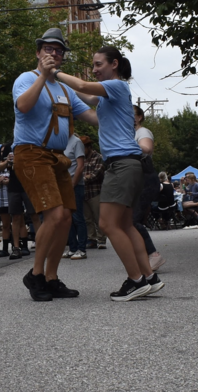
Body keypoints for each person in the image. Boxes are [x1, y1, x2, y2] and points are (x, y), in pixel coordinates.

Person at [55, 46, 163, 300]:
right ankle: (150, 277)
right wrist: (60, 89)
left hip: (122, 165)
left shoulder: (117, 85)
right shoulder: (107, 95)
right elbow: (85, 100)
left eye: (98, 64)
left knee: (106, 224)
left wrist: (55, 72)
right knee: (125, 224)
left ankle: (136, 281)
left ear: (114, 64)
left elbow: (82, 83)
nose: (94, 69)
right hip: (129, 165)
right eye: (93, 66)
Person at [13, 28, 99, 302]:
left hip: (57, 157)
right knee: (54, 214)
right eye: (48, 49)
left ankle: (51, 277)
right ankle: (35, 276)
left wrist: (118, 113)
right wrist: (42, 77)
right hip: (31, 154)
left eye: (58, 51)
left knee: (64, 218)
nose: (53, 53)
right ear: (38, 53)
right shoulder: (26, 79)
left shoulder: (64, 88)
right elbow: (24, 106)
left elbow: (91, 116)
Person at [133, 106, 165, 270]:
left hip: (145, 179)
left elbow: (147, 149)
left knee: (133, 220)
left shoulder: (142, 132)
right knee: (129, 220)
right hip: (135, 180)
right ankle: (143, 256)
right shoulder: (130, 134)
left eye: (131, 114)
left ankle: (153, 255)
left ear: (139, 117)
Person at [63, 133, 88, 260]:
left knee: (77, 217)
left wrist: (73, 183)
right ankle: (72, 247)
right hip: (62, 185)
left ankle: (81, 248)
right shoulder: (59, 143)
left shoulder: (76, 142)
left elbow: (80, 165)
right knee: (67, 218)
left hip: (75, 185)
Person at [82, 136, 107, 248]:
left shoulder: (98, 157)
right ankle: (91, 239)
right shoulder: (80, 158)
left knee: (98, 217)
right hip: (84, 191)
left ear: (89, 147)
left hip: (95, 191)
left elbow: (97, 174)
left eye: (83, 148)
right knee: (87, 218)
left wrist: (84, 178)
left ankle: (101, 239)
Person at [0, 142, 14, 259]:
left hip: (13, 196)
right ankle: (5, 248)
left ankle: (20, 246)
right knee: (5, 224)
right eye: (0, 152)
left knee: (17, 222)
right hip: (2, 198)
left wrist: (8, 181)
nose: (1, 154)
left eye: (3, 151)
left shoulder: (12, 164)